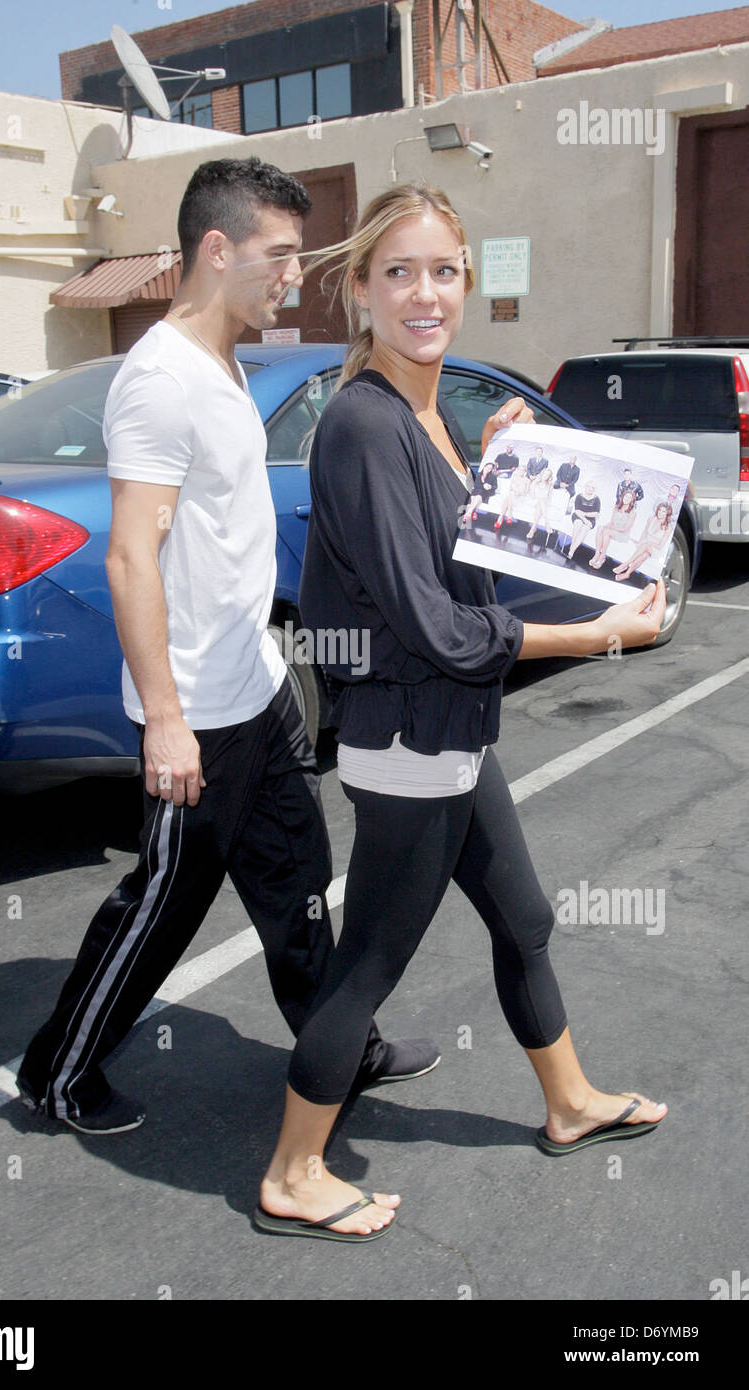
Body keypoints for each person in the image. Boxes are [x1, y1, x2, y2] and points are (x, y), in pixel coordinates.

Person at [254, 183, 666, 1243]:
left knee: (522, 919)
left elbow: (455, 554)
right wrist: (601, 632)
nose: (422, 292)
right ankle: (295, 1169)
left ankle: (567, 1102)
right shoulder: (361, 423)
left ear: (466, 283)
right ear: (357, 289)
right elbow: (436, 626)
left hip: (452, 734)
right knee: (367, 967)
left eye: (442, 270)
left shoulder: (430, 417)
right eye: (396, 272)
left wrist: (502, 474)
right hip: (407, 739)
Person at [15, 157, 436, 1135]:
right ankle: (60, 1071)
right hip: (196, 712)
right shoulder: (158, 381)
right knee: (162, 900)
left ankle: (341, 1042)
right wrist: (163, 721)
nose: (294, 275)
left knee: (295, 875)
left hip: (254, 687)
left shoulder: (225, 362)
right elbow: (129, 557)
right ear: (216, 250)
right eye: (278, 255)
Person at [613, 502, 673, 581]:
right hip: (645, 546)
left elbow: (660, 546)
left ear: (667, 514)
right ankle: (627, 574)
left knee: (646, 546)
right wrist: (640, 542)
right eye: (659, 510)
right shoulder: (651, 519)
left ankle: (625, 564)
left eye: (663, 511)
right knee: (644, 555)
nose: (660, 513)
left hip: (656, 549)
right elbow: (645, 532)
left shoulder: (668, 528)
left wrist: (646, 542)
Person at [590, 489, 637, 569]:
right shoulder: (616, 507)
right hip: (613, 529)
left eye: (629, 498)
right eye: (626, 496)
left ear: (632, 500)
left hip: (622, 534)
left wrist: (611, 528)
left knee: (607, 532)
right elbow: (612, 522)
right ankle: (597, 554)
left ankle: (602, 557)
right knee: (600, 528)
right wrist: (605, 526)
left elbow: (626, 529)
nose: (627, 499)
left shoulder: (633, 512)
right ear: (623, 497)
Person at [460, 457, 498, 527]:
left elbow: (495, 486)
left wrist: (490, 486)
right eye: (487, 467)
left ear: (491, 470)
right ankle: (471, 512)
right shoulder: (477, 474)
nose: (488, 469)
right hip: (476, 490)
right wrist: (483, 484)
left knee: (478, 495)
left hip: (485, 492)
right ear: (484, 466)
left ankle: (468, 513)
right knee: (475, 494)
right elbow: (475, 484)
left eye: (490, 468)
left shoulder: (492, 477)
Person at [567, 480, 601, 558]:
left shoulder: (596, 499)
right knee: (578, 523)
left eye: (593, 488)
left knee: (585, 528)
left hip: (591, 519)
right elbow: (577, 510)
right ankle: (572, 544)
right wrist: (585, 519)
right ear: (585, 487)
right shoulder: (579, 496)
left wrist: (586, 515)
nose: (590, 489)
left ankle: (572, 550)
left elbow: (596, 514)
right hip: (578, 516)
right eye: (589, 486)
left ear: (594, 490)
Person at [525, 465, 554, 540]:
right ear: (542, 474)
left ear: (549, 477)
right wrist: (538, 498)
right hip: (533, 500)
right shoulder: (535, 482)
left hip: (542, 504)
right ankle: (546, 523)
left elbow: (549, 497)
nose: (545, 476)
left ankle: (532, 530)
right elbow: (532, 494)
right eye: (544, 473)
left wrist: (547, 503)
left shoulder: (550, 485)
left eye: (547, 475)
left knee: (540, 505)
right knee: (540, 501)